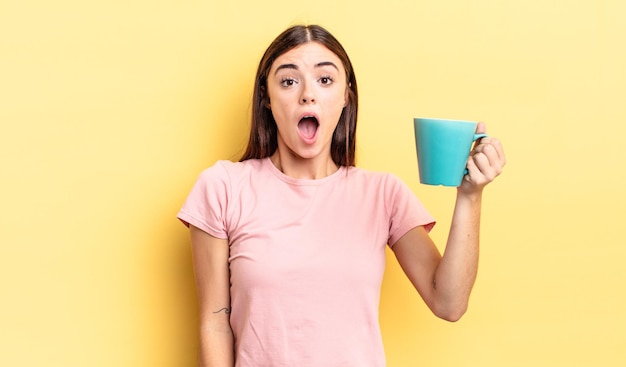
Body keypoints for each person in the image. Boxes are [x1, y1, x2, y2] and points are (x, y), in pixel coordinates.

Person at [177, 24, 505, 367]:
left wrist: (470, 195)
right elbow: (215, 324)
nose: (308, 94)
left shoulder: (383, 194)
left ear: (346, 96)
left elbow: (448, 303)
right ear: (266, 97)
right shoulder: (223, 187)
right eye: (289, 81)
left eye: (325, 80)